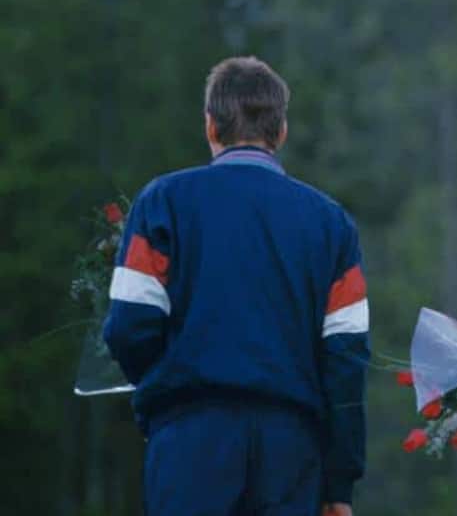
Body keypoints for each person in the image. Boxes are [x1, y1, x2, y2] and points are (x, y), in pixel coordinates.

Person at [103, 56, 368, 516]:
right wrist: (338, 482)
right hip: (291, 451)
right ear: (280, 131)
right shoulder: (332, 224)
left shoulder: (163, 201)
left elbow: (129, 326)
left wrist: (163, 398)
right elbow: (346, 359)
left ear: (210, 125)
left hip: (190, 438)